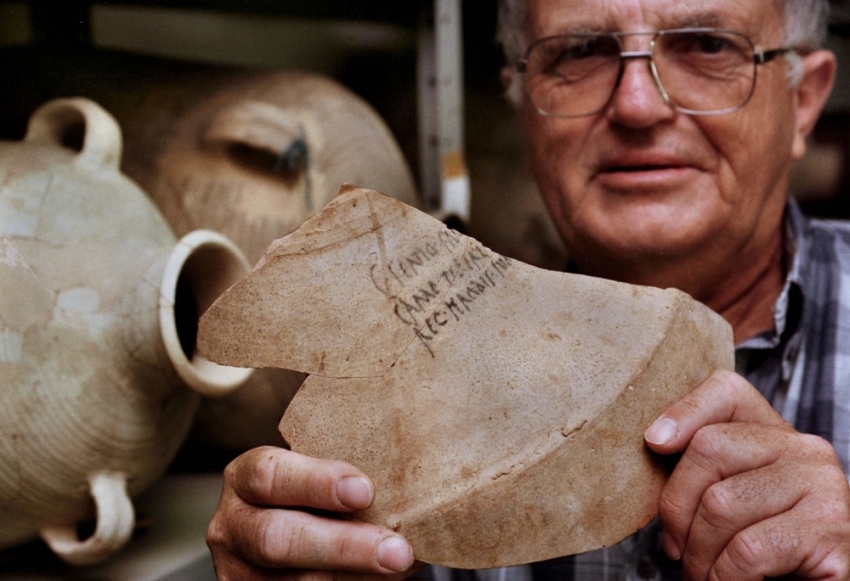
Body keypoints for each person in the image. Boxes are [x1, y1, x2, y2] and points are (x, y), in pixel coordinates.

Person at [205, 0, 850, 579]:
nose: (637, 104)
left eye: (708, 46)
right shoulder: (400, 385)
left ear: (804, 101)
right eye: (579, 52)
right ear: (521, 103)